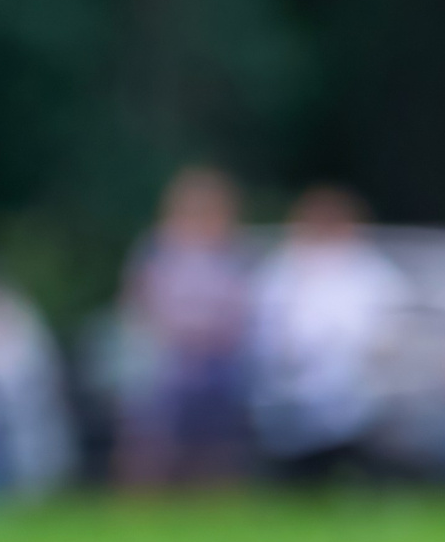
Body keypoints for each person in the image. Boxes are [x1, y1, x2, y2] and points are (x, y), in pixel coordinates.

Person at [247, 186, 410, 482]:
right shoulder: (282, 271)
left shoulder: (373, 273)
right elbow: (266, 334)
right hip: (290, 387)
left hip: (361, 388)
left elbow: (387, 335)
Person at [115, 166, 253, 486]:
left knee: (219, 443)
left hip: (219, 358)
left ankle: (212, 498)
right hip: (169, 359)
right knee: (154, 438)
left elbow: (242, 307)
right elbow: (140, 303)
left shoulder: (233, 251)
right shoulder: (157, 249)